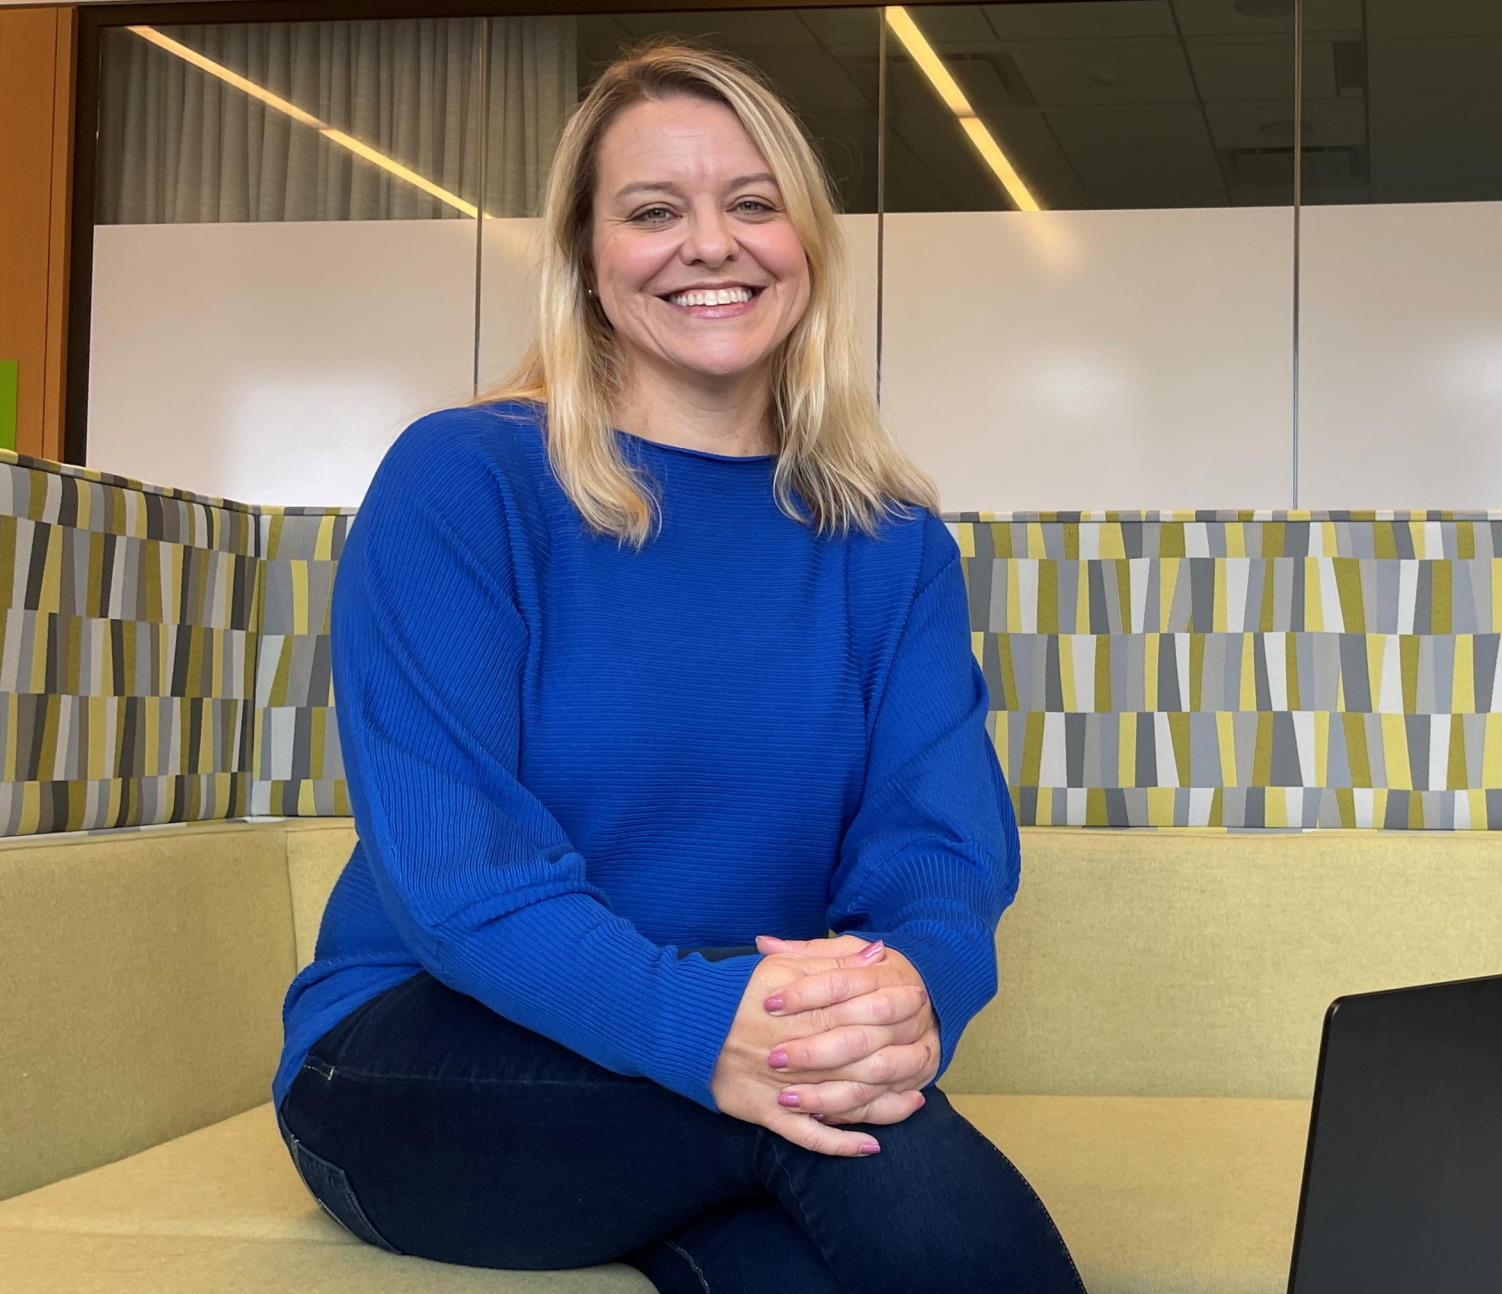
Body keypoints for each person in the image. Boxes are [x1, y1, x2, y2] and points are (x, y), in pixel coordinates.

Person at [272, 37, 1086, 1294]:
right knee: (864, 1136)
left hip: (727, 1057)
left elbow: (938, 848)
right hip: (422, 1055)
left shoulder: (890, 541)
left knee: (806, 1228)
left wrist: (913, 989)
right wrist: (708, 1027)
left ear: (804, 247)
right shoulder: (465, 480)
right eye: (654, 211)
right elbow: (456, 877)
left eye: (752, 204)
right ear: (590, 268)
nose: (711, 243)